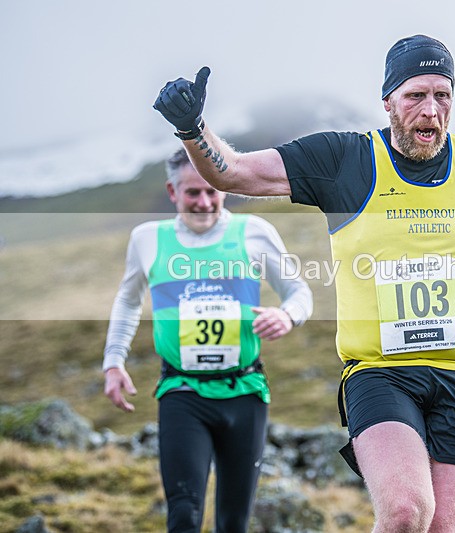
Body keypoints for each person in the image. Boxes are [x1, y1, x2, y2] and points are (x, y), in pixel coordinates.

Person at [153, 34, 455, 533]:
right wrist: (193, 129)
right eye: (416, 95)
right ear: (388, 101)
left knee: (443, 528)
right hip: (380, 372)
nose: (431, 110)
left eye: (442, 95)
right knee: (405, 512)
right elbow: (236, 174)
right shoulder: (344, 160)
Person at [102, 148, 313, 533]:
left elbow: (299, 292)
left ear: (223, 188)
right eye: (192, 193)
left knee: (233, 522)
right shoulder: (148, 239)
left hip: (244, 393)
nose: (203, 202)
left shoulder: (253, 232)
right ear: (173, 192)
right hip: (182, 393)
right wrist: (113, 362)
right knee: (184, 514)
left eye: (211, 191)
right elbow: (128, 301)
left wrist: (287, 315)